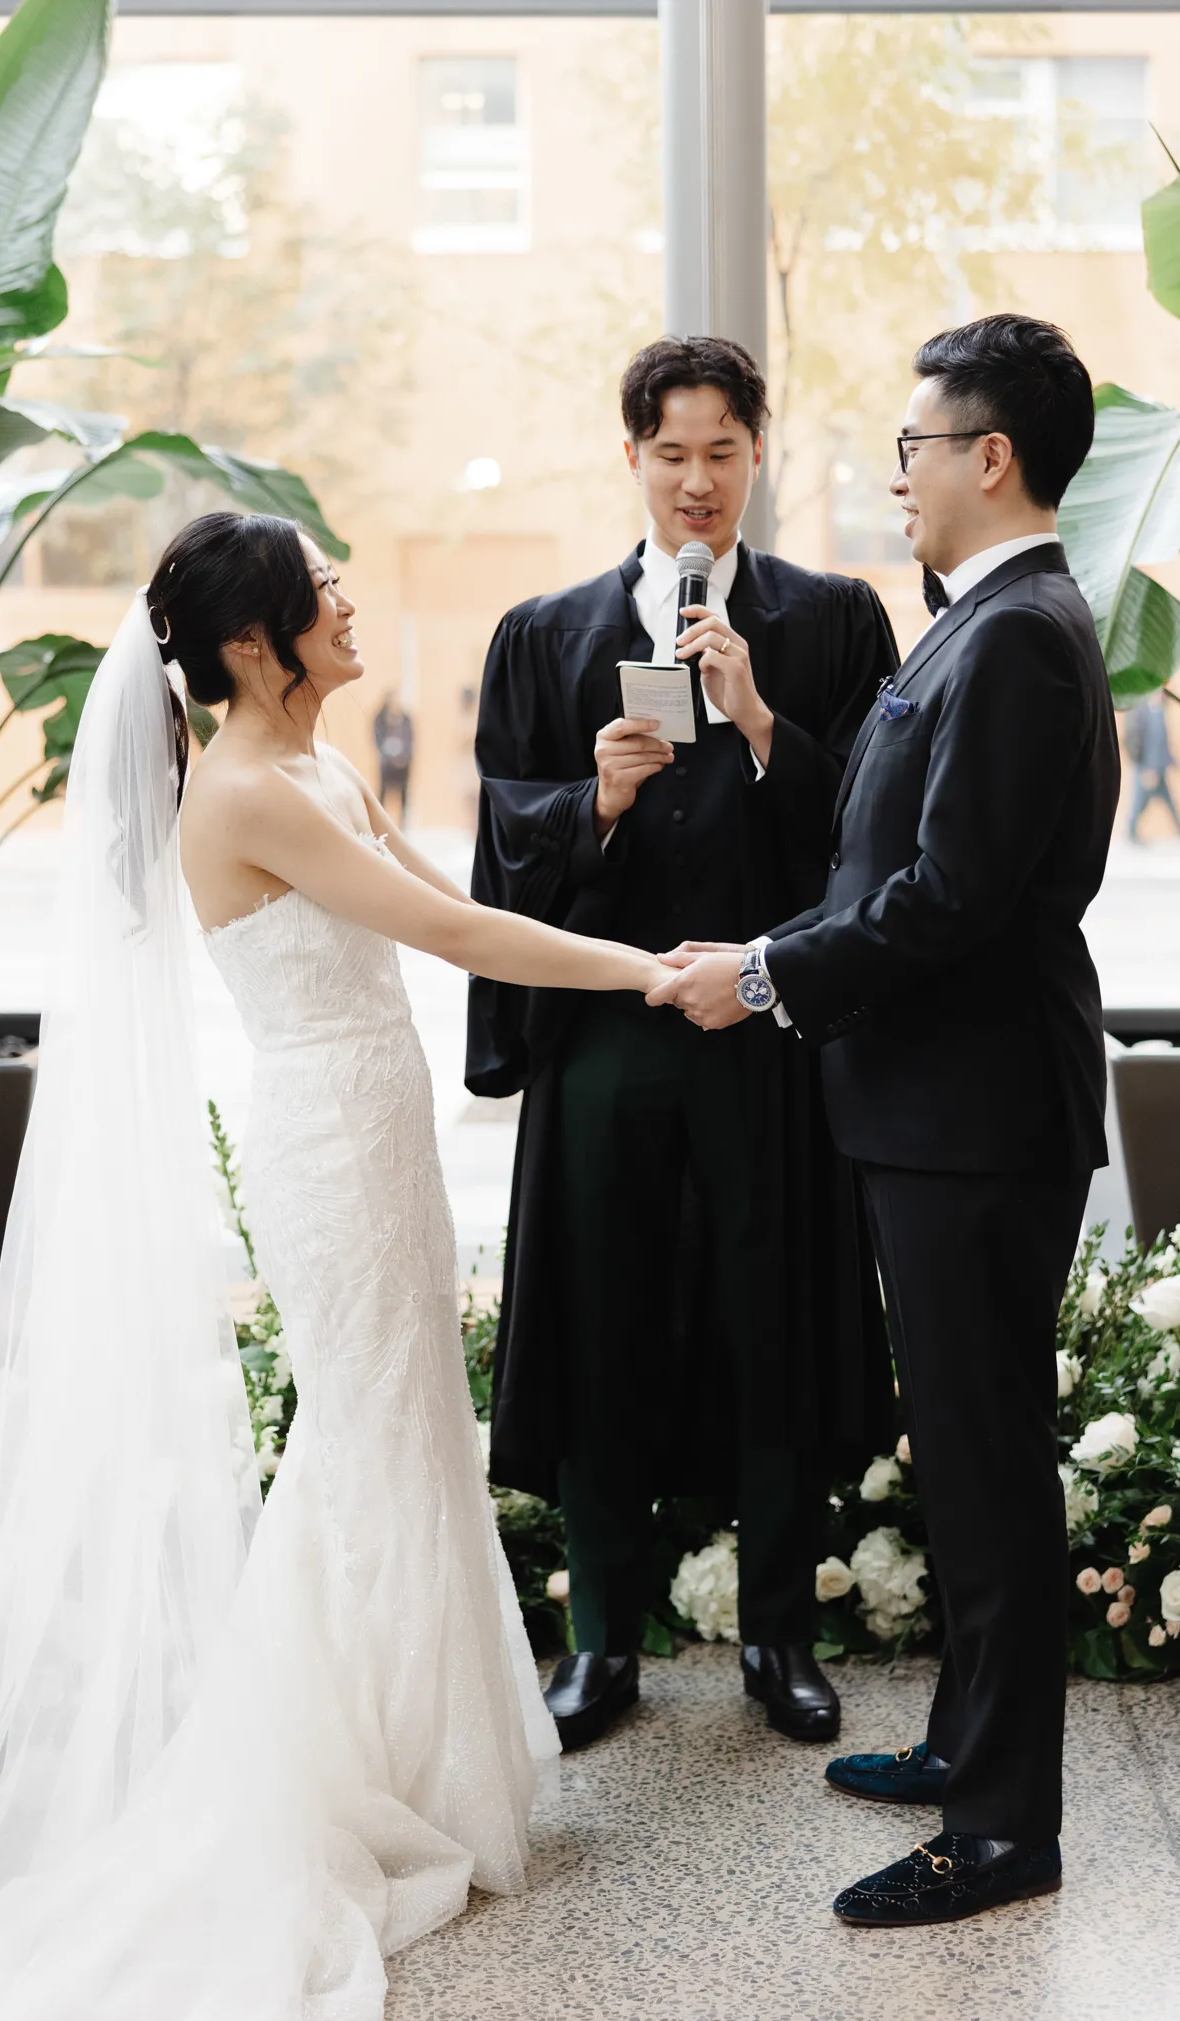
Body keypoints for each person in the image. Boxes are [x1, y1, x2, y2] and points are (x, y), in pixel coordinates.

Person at [0, 512, 667, 2021]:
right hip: (326, 1135)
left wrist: (600, 834)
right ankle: (353, 1771)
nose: (344, 601)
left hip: (379, 1120)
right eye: (315, 592)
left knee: (400, 1432)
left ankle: (408, 1746)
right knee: (374, 1434)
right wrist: (653, 973)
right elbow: (460, 936)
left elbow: (444, 905)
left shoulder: (311, 759)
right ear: (252, 644)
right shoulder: (241, 792)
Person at [652, 315, 1120, 1927]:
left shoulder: (1020, 634)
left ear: (991, 457)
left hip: (976, 1115)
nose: (897, 476)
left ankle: (1003, 1826)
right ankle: (961, 1745)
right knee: (967, 1455)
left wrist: (767, 974)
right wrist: (783, 739)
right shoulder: (982, 623)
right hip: (936, 1108)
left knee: (992, 1471)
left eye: (914, 448)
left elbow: (948, 897)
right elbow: (894, 819)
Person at [468, 335, 897, 1753]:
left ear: (758, 455)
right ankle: (602, 1642)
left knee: (772, 1324)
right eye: (672, 452)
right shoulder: (544, 633)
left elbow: (875, 839)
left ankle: (778, 1632)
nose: (698, 480)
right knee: (604, 1325)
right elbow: (499, 841)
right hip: (609, 1037)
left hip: (768, 1036)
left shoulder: (834, 624)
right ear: (633, 458)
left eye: (723, 451)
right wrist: (592, 798)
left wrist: (765, 721)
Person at [1124, 689, 1180, 840]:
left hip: (1158, 768)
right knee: (1140, 803)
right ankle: (1131, 834)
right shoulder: (1145, 712)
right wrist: (1149, 769)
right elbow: (1150, 742)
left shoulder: (1159, 710)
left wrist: (1172, 761)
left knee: (1168, 803)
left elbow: (1162, 742)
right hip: (1147, 768)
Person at [372, 687, 415, 821]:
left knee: (403, 794)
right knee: (383, 793)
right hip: (387, 764)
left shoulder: (406, 720)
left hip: (402, 763)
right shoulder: (380, 719)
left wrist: (404, 756)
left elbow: (410, 740)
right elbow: (377, 739)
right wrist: (386, 754)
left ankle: (403, 825)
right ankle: (380, 821)